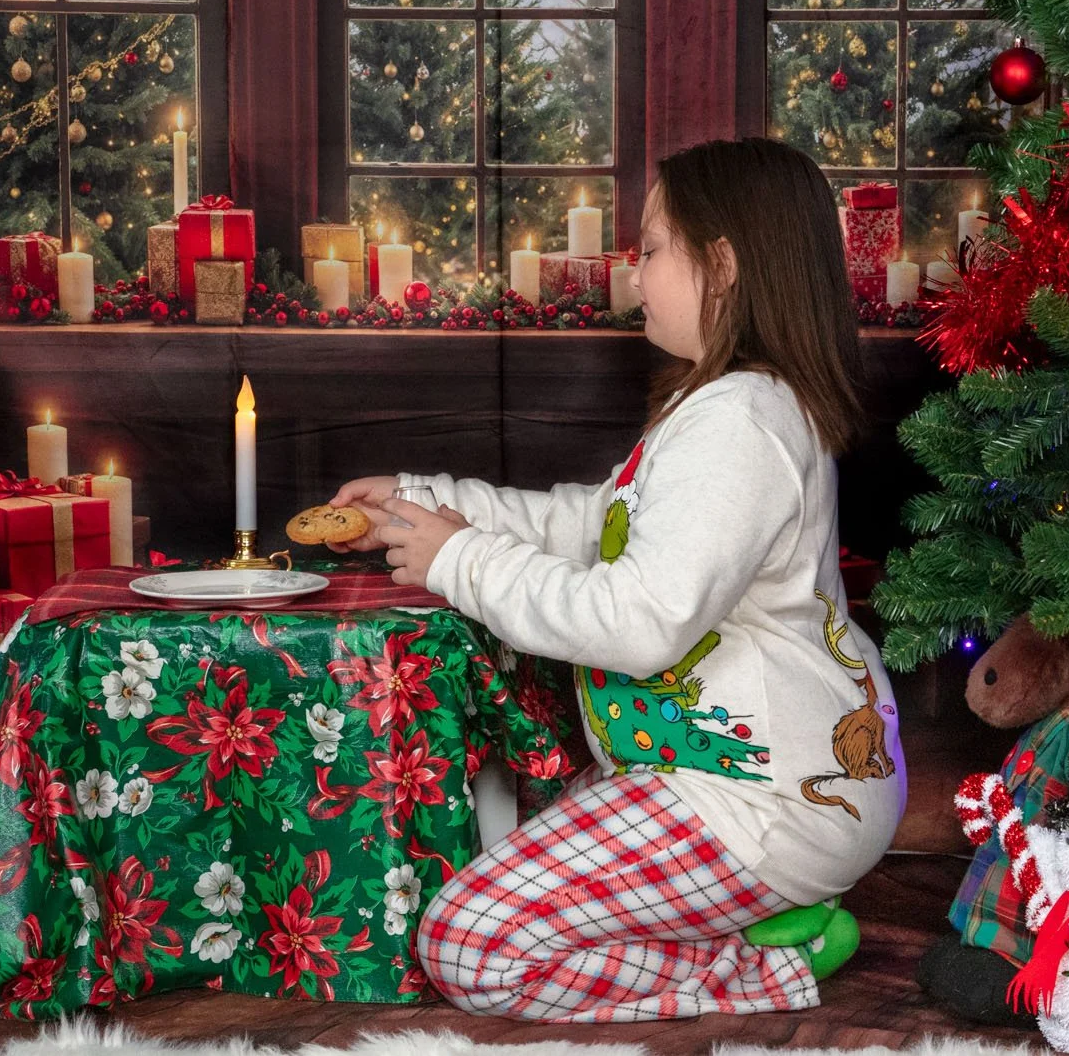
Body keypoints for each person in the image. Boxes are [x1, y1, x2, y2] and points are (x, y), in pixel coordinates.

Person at [330, 137, 906, 1022]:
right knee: (514, 845)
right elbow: (582, 526)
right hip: (703, 768)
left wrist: (458, 559)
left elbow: (641, 621)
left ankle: (760, 966)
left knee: (469, 943)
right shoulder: (713, 409)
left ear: (722, 265)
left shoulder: (742, 423)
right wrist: (423, 504)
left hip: (763, 799)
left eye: (651, 250)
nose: (633, 275)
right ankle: (768, 919)